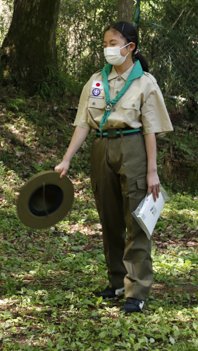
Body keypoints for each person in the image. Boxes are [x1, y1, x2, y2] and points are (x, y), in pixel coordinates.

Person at [55, 22, 173, 313]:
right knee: (109, 218)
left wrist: (152, 170)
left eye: (113, 43)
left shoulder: (145, 82)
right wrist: (67, 158)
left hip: (133, 146)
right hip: (101, 146)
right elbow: (83, 122)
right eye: (105, 43)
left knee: (136, 220)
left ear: (130, 47)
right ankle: (117, 281)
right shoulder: (96, 80)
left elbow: (150, 129)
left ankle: (138, 289)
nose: (108, 48)